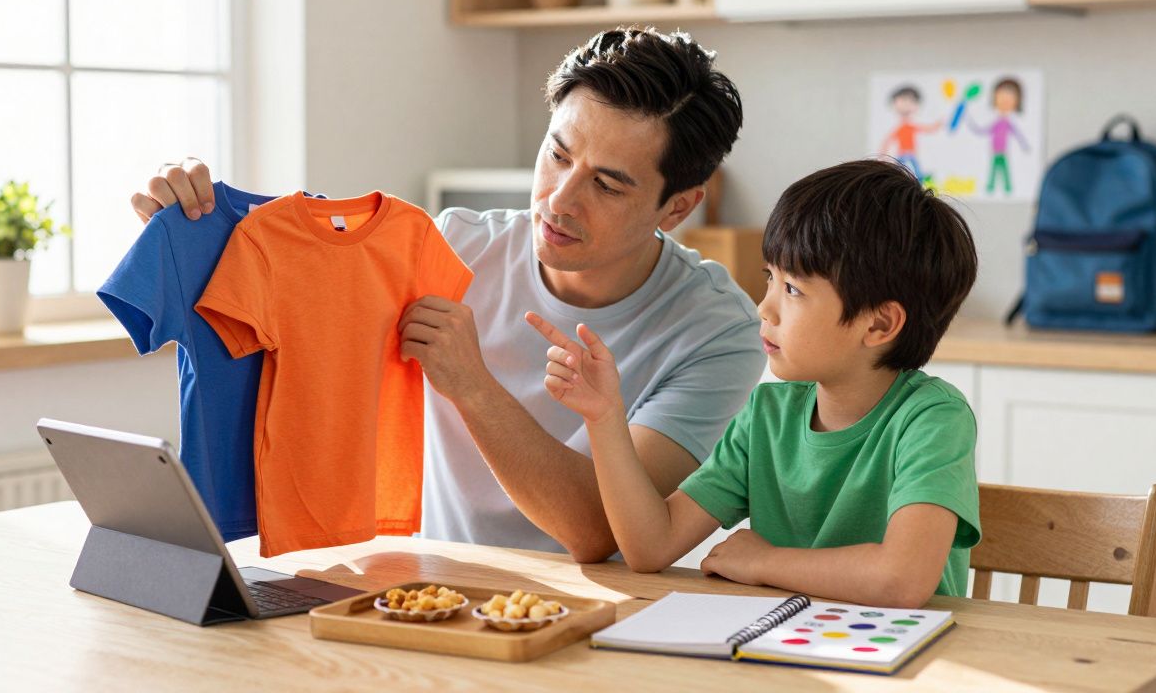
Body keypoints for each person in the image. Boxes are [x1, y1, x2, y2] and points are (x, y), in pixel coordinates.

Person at [128, 27, 765, 562]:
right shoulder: (449, 246)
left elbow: (596, 532)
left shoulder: (718, 333)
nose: (560, 200)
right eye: (557, 155)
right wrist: (192, 230)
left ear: (676, 207)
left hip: (598, 615)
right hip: (428, 590)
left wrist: (473, 385)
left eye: (607, 185)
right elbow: (291, 279)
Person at [528, 159, 980, 606]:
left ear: (880, 324)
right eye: (771, 279)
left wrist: (765, 562)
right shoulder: (767, 416)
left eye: (794, 290)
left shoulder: (932, 419)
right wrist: (606, 416)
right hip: (787, 651)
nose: (765, 308)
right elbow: (650, 547)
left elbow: (900, 580)